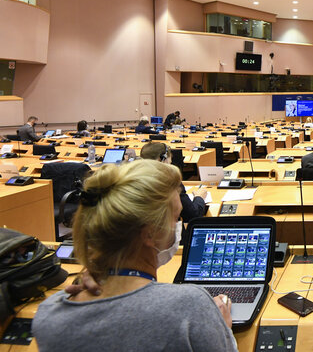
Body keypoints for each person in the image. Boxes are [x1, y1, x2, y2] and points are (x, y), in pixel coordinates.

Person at [32, 161, 236, 352]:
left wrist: (95, 271)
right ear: (150, 233)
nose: (177, 227)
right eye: (176, 218)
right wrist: (223, 329)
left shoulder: (50, 312)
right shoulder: (191, 307)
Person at [140, 142, 207, 222]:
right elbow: (192, 215)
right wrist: (199, 197)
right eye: (170, 163)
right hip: (166, 231)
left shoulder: (135, 181)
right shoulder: (170, 182)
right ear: (163, 159)